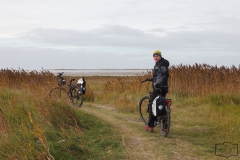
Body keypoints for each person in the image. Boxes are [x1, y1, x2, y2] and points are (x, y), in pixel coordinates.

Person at [145, 50, 170, 132]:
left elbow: (165, 75)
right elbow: (159, 75)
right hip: (163, 88)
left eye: (157, 56)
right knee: (161, 105)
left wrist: (158, 83)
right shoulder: (160, 64)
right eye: (154, 56)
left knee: (153, 104)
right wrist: (152, 79)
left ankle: (150, 126)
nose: (155, 57)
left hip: (159, 88)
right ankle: (165, 127)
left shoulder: (161, 64)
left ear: (160, 56)